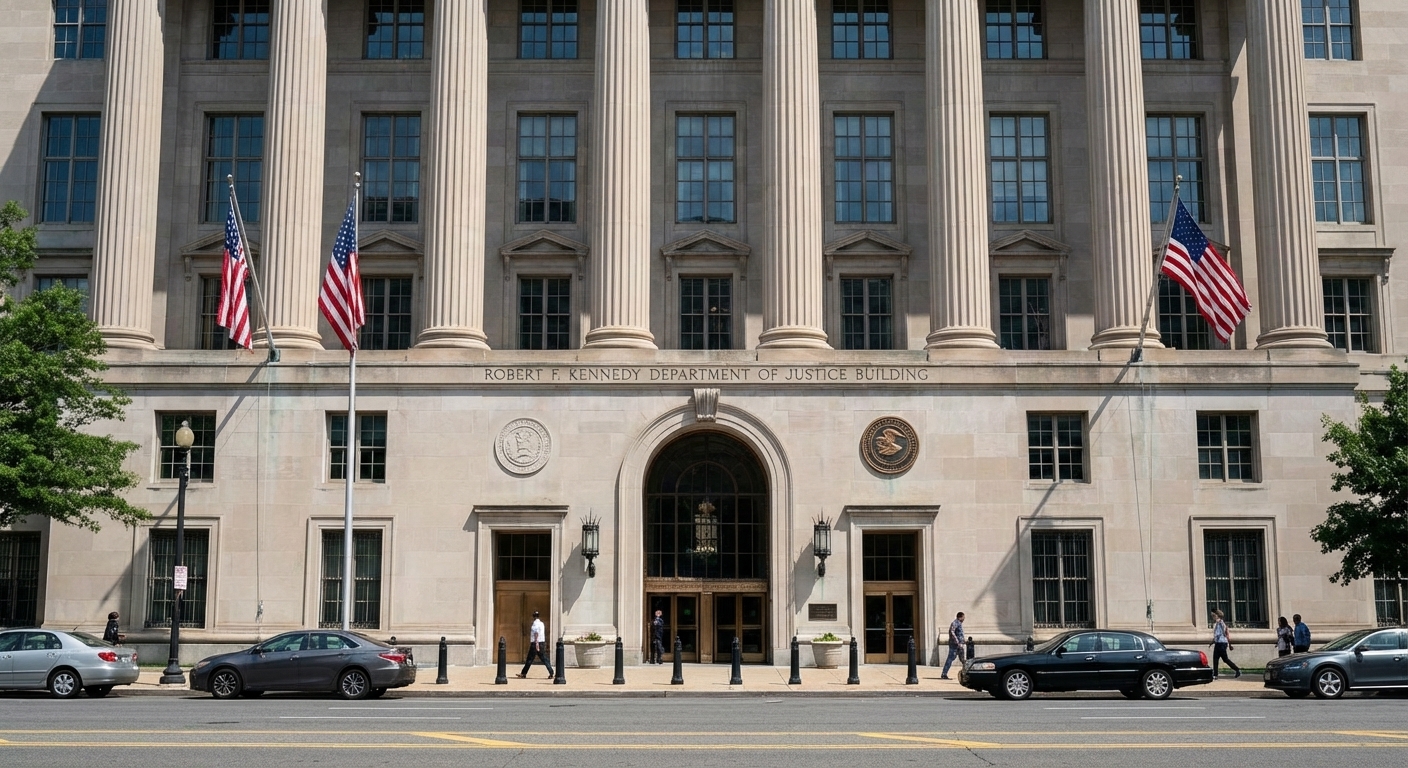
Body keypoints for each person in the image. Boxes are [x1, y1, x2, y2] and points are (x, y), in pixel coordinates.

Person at [516, 610, 554, 679]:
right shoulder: (542, 623)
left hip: (535, 643)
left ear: (533, 617)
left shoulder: (535, 624)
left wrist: (536, 644)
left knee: (529, 659)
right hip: (542, 642)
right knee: (544, 658)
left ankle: (523, 673)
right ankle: (551, 672)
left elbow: (536, 634)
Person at [1210, 609, 1241, 679]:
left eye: (1213, 616)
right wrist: (1212, 642)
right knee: (1216, 659)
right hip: (1219, 643)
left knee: (1224, 659)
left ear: (1217, 616)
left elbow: (1220, 634)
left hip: (1221, 643)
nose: (1213, 617)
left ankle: (1237, 669)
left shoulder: (1220, 623)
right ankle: (1215, 674)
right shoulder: (1218, 623)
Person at [940, 612, 965, 679]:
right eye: (963, 617)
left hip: (960, 645)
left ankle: (967, 673)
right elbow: (952, 631)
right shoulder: (955, 623)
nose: (964, 619)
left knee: (963, 659)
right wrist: (957, 642)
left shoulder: (959, 624)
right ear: (960, 617)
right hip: (955, 646)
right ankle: (944, 674)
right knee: (950, 659)